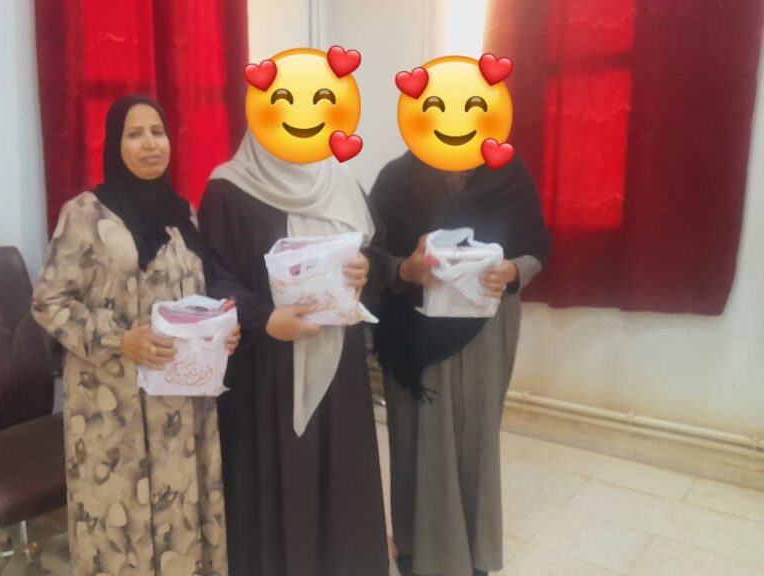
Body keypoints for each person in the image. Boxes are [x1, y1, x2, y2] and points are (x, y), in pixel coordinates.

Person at [32, 95, 239, 576]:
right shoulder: (86, 214)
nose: (150, 144)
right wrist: (118, 339)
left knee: (182, 519)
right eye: (135, 134)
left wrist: (219, 332)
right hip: (115, 406)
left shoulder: (182, 213)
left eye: (157, 132)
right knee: (120, 528)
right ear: (114, 144)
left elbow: (197, 295)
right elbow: (48, 302)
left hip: (182, 406)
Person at [197, 132, 403, 576]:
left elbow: (377, 252)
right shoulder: (229, 188)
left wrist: (367, 268)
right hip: (266, 367)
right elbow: (212, 275)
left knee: (339, 474)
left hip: (339, 365)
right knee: (283, 476)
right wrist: (264, 320)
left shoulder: (340, 180)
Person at [370, 152, 551, 576]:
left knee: (476, 441)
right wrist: (406, 269)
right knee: (418, 442)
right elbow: (373, 257)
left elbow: (537, 245)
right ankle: (415, 549)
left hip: (486, 328)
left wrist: (512, 270)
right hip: (415, 334)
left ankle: (475, 554)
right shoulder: (396, 179)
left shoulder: (507, 172)